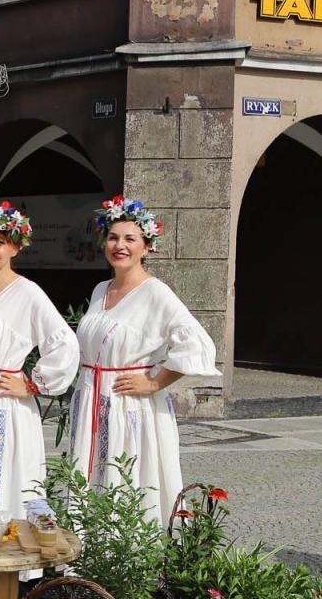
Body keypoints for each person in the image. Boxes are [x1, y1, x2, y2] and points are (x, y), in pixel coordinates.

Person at [67, 196, 219, 522]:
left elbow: (197, 343)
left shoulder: (155, 293)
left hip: (129, 406)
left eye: (130, 239)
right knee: (90, 479)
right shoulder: (100, 290)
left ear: (147, 247)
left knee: (125, 481)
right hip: (92, 400)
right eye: (113, 237)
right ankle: (87, 557)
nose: (119, 245)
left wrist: (154, 381)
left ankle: (129, 563)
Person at [0, 201, 80, 523]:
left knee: (4, 474)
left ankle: (10, 553)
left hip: (3, 402)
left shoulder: (27, 293)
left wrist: (33, 384)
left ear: (16, 247)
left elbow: (64, 342)